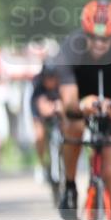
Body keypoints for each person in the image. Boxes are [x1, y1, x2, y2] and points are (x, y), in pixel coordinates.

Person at [55, 0, 111, 220]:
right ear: (85, 33)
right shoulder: (70, 48)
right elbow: (69, 101)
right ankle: (70, 186)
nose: (100, 43)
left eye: (106, 38)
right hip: (80, 101)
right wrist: (83, 104)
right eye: (93, 37)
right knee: (73, 126)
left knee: (110, 173)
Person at [30, 64, 63, 193]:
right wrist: (54, 107)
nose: (50, 81)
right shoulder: (38, 85)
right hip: (39, 111)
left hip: (56, 109)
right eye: (48, 78)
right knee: (39, 134)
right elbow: (43, 108)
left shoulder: (61, 83)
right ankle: (41, 163)